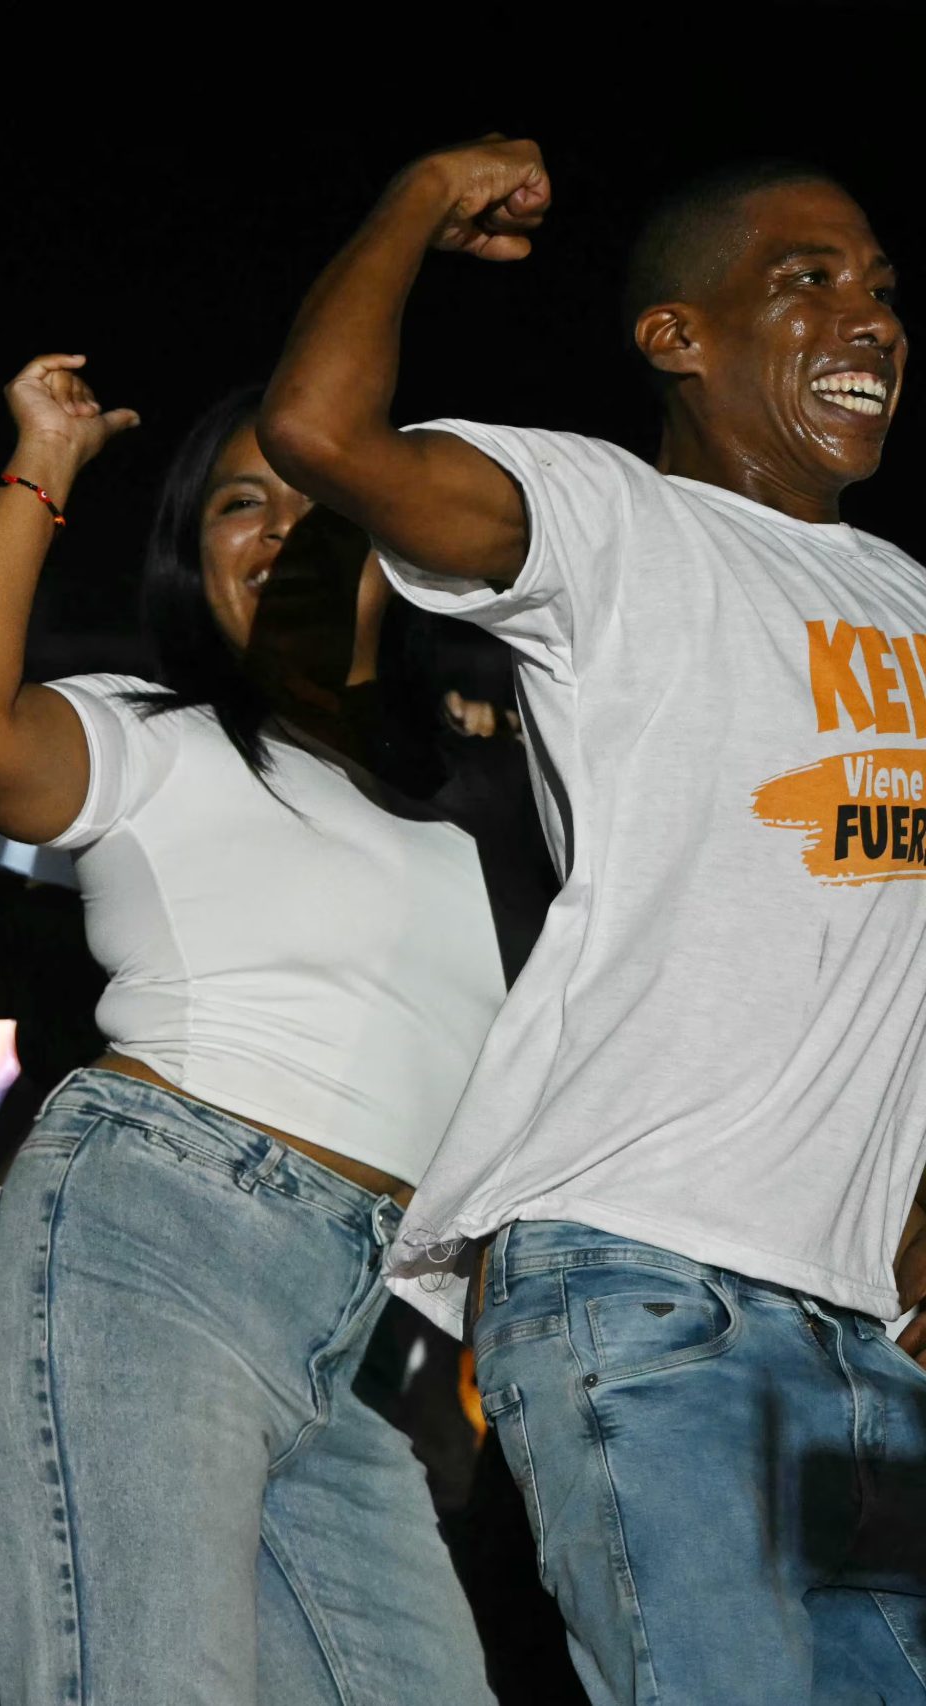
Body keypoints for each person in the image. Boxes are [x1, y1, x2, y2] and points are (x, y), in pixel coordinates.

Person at [261, 137, 926, 1704]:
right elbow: (318, 430)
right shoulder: (614, 522)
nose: (873, 322)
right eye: (808, 283)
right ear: (677, 340)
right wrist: (418, 197)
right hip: (645, 1298)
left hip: (858, 1342)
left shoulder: (907, 595)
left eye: (885, 292)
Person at [0, 356, 502, 1704]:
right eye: (241, 502)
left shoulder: (476, 810)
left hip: (344, 1337)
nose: (283, 531)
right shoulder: (152, 735)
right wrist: (44, 464)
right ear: (195, 559)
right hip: (143, 1264)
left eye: (320, 500)